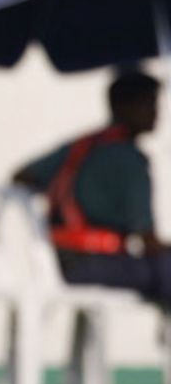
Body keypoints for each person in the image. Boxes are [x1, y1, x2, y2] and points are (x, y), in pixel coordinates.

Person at [12, 70, 171, 314]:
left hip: (59, 259)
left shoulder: (84, 146)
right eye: (148, 103)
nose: (156, 112)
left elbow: (21, 177)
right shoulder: (131, 160)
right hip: (96, 262)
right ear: (123, 107)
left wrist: (55, 209)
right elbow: (146, 240)